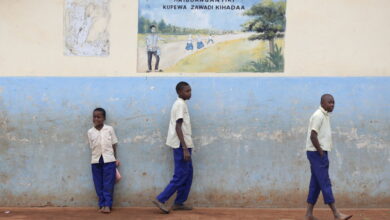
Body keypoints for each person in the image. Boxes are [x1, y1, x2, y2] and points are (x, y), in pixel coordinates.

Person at [304, 94, 353, 220]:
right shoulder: (318, 115)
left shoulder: (325, 115)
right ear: (322, 103)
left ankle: (308, 214)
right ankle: (336, 214)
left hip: (319, 152)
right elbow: (313, 136)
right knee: (325, 182)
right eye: (329, 102)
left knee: (316, 183)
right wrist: (321, 153)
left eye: (333, 102)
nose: (332, 105)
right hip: (316, 153)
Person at [153, 82, 194, 214]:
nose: (190, 93)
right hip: (181, 146)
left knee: (188, 174)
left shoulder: (182, 104)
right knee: (181, 174)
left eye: (190, 90)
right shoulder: (180, 104)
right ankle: (161, 199)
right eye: (187, 91)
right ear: (179, 92)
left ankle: (179, 202)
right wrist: (185, 148)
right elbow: (178, 127)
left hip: (184, 144)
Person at [87, 108, 120, 214]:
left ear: (104, 118)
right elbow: (92, 146)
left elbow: (114, 144)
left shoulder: (109, 129)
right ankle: (101, 204)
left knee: (108, 183)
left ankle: (107, 205)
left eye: (99, 117)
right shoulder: (90, 132)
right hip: (96, 160)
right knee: (98, 183)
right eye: (94, 116)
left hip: (109, 160)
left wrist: (115, 159)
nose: (96, 119)